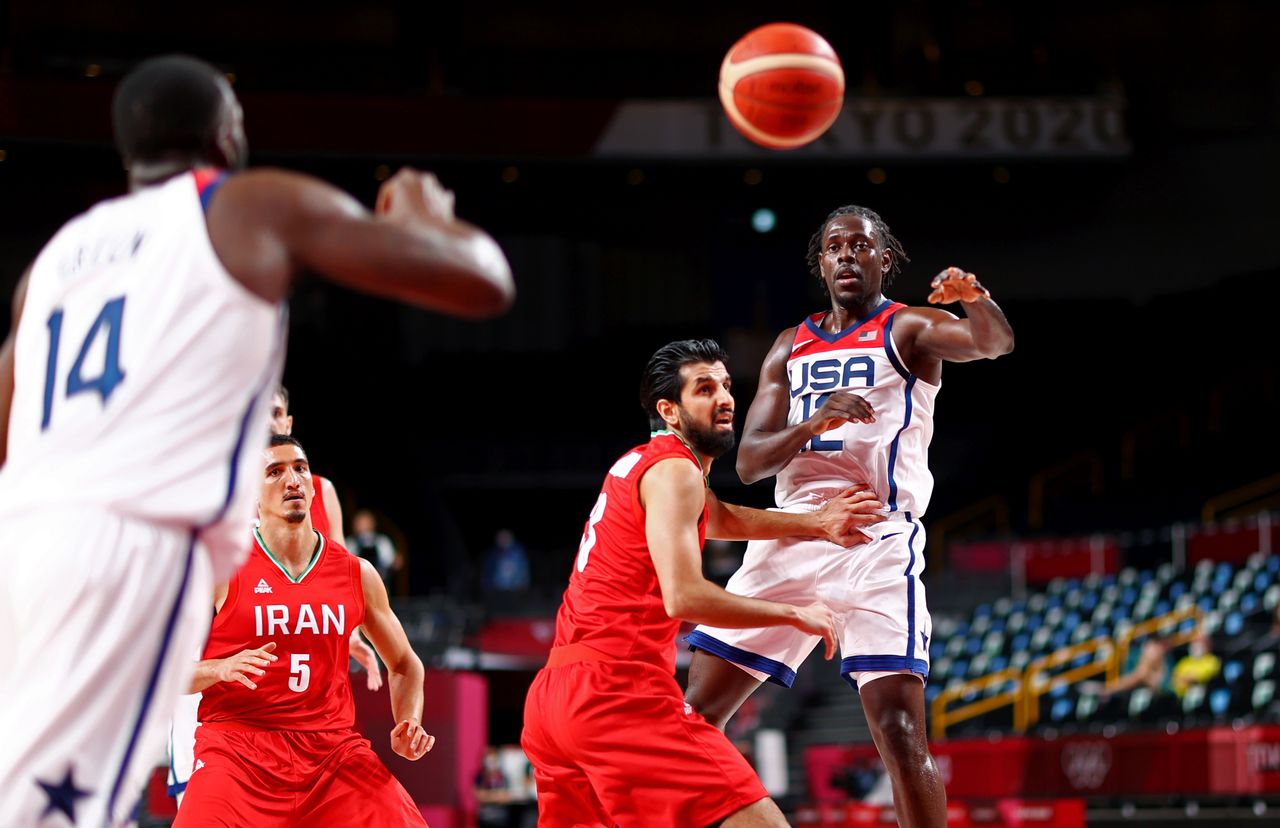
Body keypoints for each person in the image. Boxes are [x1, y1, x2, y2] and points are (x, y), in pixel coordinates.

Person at [0, 53, 512, 827]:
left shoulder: (51, 264)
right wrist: (422, 216)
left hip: (26, 548)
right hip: (133, 549)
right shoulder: (239, 207)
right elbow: (481, 280)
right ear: (227, 133)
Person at [683, 205, 1014, 828]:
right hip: (793, 533)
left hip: (875, 535)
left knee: (898, 729)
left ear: (884, 260)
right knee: (694, 716)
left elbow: (992, 344)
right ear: (820, 264)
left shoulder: (910, 327)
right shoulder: (791, 343)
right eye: (834, 247)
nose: (846, 256)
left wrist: (976, 298)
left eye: (860, 246)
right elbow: (750, 464)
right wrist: (815, 421)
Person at [521, 339, 885, 827]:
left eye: (727, 386)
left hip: (552, 701)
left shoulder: (640, 464)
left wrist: (815, 523)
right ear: (669, 410)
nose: (726, 398)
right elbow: (685, 597)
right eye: (705, 388)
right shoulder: (676, 472)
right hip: (615, 695)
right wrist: (793, 613)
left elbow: (718, 517)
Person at [173, 434, 432, 826]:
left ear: (313, 487)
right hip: (238, 748)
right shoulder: (221, 568)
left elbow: (404, 665)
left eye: (300, 469)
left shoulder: (355, 573)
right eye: (274, 472)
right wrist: (219, 669)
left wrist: (408, 720)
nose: (291, 479)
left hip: (331, 752)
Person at [168, 385, 382, 804]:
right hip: (217, 694)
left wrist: (353, 632)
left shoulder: (319, 491)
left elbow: (338, 578)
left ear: (287, 424)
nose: (266, 421)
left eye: (276, 412)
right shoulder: (209, 496)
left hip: (293, 709)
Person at [348, 508, 403, 588]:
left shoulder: (382, 542)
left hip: (379, 584)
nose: (362, 526)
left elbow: (392, 562)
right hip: (355, 584)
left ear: (372, 523)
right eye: (359, 523)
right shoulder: (350, 543)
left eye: (365, 523)